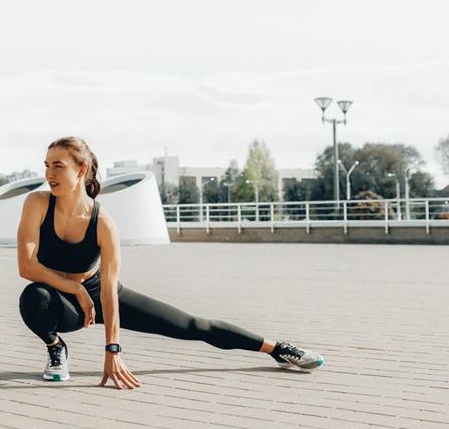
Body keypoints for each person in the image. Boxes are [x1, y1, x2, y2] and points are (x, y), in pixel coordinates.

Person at [16, 136, 325, 390]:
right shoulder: (38, 204)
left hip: (99, 291)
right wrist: (73, 288)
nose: (49, 174)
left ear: (82, 169)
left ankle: (278, 348)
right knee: (34, 298)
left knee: (194, 326)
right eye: (46, 166)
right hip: (59, 301)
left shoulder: (103, 223)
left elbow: (109, 290)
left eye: (58, 166)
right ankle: (56, 347)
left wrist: (112, 350)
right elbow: (27, 267)